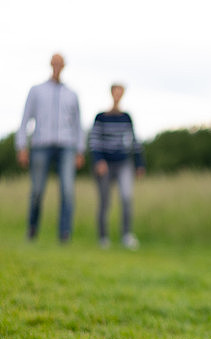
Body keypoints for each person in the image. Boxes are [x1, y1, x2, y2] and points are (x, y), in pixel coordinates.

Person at [16, 53, 85, 243]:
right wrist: (22, 146)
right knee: (37, 190)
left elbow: (78, 124)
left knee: (67, 191)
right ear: (50, 64)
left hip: (67, 147)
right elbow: (25, 120)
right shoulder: (36, 90)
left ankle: (65, 234)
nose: (57, 66)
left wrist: (80, 150)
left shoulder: (71, 94)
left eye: (60, 63)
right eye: (54, 63)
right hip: (41, 145)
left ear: (64, 66)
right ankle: (32, 229)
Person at [88, 83, 146, 250]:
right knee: (105, 201)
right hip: (105, 163)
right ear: (111, 93)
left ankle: (127, 235)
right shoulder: (101, 117)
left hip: (123, 163)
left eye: (121, 92)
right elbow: (94, 141)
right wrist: (98, 160)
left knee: (127, 198)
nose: (118, 95)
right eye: (116, 92)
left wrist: (139, 163)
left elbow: (134, 140)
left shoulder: (126, 117)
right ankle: (103, 237)